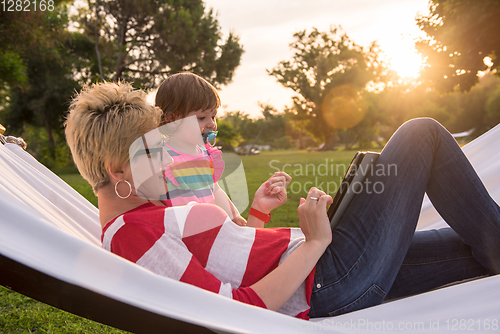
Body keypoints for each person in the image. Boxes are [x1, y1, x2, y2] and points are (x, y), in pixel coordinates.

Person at [65, 81, 500, 320]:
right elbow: (237, 313)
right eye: (153, 151)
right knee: (420, 135)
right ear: (117, 170)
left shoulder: (147, 211)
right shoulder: (133, 238)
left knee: (472, 248)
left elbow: (234, 255)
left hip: (326, 269)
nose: (167, 157)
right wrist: (313, 243)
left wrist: (260, 215)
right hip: (328, 279)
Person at [154, 72, 254, 226]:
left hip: (214, 226)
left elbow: (214, 189)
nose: (211, 124)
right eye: (202, 118)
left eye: (213, 116)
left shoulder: (205, 154)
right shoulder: (165, 158)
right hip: (190, 231)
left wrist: (233, 215)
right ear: (173, 119)